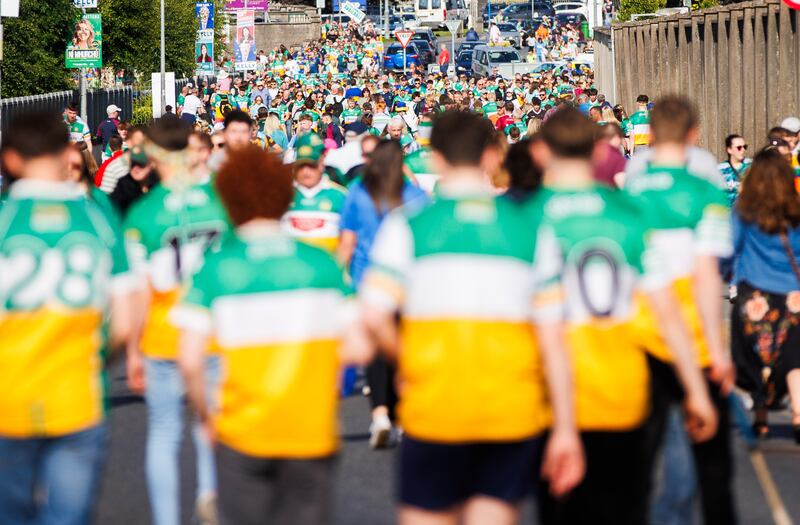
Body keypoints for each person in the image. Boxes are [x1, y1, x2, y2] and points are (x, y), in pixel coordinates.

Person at [360, 111, 584, 525]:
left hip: (435, 406)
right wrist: (566, 428)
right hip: (510, 410)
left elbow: (373, 316)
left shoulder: (407, 227)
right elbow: (555, 339)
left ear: (435, 158)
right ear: (490, 156)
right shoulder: (532, 230)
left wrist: (406, 358)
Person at [532, 107, 717, 525]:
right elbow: (665, 310)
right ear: (598, 154)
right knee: (625, 508)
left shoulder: (525, 219)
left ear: (542, 152)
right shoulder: (628, 216)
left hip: (546, 394)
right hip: (622, 389)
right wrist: (695, 387)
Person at [174, 148, 368, 525]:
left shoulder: (217, 267)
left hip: (241, 428)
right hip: (309, 428)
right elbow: (358, 345)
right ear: (284, 196)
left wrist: (206, 416)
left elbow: (188, 359)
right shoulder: (320, 265)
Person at [0, 110, 135, 525]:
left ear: (10, 160)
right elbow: (126, 319)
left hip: (9, 401)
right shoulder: (96, 216)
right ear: (66, 153)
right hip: (79, 397)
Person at [625, 97, 736, 525]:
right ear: (693, 135)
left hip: (642, 337)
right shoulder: (705, 193)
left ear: (649, 134)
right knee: (711, 463)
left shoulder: (631, 192)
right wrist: (718, 349)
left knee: (641, 462)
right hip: (692, 336)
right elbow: (707, 277)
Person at [123, 117, 230, 525]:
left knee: (164, 432)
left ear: (152, 154)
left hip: (165, 332)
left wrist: (132, 350)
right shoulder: (219, 200)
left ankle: (167, 519)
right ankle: (211, 497)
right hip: (214, 330)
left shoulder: (144, 212)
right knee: (213, 424)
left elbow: (138, 291)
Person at [337, 140, 429, 448]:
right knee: (402, 348)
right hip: (407, 282)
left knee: (376, 351)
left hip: (368, 279)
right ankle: (401, 415)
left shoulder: (359, 192)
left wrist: (338, 279)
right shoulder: (415, 196)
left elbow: (347, 242)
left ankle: (379, 413)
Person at [730, 148, 800, 442]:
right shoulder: (796, 211)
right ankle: (798, 411)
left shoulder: (745, 211)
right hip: (793, 294)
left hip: (754, 292)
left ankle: (760, 418)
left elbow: (730, 248)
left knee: (755, 355)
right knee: (795, 355)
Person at [281, 133, 347, 253]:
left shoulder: (341, 196)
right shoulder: (282, 195)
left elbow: (349, 239)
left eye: (311, 166)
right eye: (301, 166)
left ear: (321, 163)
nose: (306, 172)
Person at [719, 134, 751, 205]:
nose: (743, 150)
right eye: (739, 147)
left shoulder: (752, 166)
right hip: (727, 213)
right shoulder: (720, 169)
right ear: (729, 150)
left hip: (748, 212)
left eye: (745, 147)